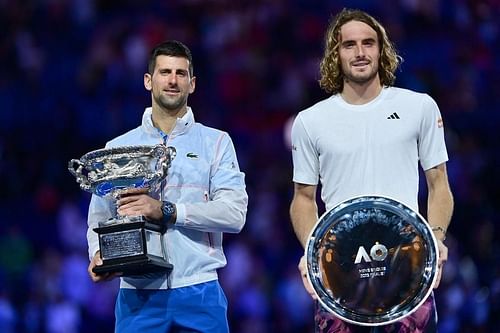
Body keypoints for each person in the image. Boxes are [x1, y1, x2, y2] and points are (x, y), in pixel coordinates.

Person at [289, 8, 453, 332]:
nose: (360, 52)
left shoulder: (418, 107)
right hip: (343, 271)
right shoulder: (310, 121)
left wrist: (436, 239)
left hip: (408, 264)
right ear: (336, 54)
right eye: (349, 45)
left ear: (382, 49)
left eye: (368, 43)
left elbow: (439, 185)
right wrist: (313, 253)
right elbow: (303, 199)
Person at [86, 40, 248, 332]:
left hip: (200, 289)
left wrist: (167, 211)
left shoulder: (217, 143)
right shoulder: (119, 147)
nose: (172, 80)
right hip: (137, 293)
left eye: (180, 73)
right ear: (148, 80)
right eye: (164, 72)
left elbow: (234, 215)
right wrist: (99, 254)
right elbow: (99, 217)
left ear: (192, 83)